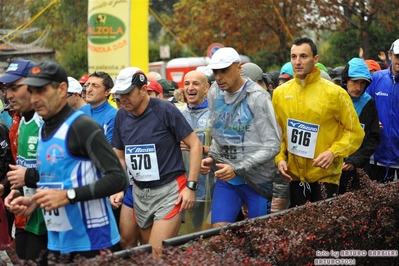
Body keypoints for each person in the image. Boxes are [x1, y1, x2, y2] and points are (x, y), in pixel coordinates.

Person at [5, 61, 128, 264]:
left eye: (41, 91)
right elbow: (55, 180)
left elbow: (118, 178)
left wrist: (68, 196)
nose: (35, 99)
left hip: (93, 242)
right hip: (59, 240)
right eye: (32, 91)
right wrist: (33, 201)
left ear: (62, 89)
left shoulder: (82, 126)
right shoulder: (44, 128)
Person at [110, 67, 202, 256]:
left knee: (156, 252)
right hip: (139, 190)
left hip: (169, 190)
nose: (122, 98)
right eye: (120, 94)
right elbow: (119, 155)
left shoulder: (165, 109)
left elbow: (195, 145)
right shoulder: (121, 116)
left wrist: (191, 186)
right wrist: (119, 186)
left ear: (143, 90)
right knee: (137, 248)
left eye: (127, 93)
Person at [272, 37, 365, 207]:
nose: (297, 62)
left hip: (325, 176)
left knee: (323, 231)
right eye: (293, 57)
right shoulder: (279, 94)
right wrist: (279, 158)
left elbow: (355, 132)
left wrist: (333, 152)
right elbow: (277, 133)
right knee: (298, 231)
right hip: (294, 177)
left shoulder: (335, 93)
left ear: (315, 59)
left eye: (303, 56)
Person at [201, 47, 281, 228]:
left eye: (224, 70)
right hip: (228, 180)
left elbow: (273, 145)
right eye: (215, 71)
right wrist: (212, 156)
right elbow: (219, 133)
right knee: (218, 237)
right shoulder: (215, 92)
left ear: (239, 67)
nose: (219, 76)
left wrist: (237, 168)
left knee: (259, 241)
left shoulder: (257, 96)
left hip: (257, 181)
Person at [0, 59, 37, 262]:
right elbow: (23, 167)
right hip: (29, 218)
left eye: (15, 87)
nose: (8, 95)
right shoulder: (22, 122)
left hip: (58, 225)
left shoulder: (61, 124)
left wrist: (27, 178)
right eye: (6, 88)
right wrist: (16, 190)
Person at [179, 70, 215, 233]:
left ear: (206, 88)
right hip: (182, 186)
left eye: (195, 83)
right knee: (185, 237)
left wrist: (203, 150)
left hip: (211, 185)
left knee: (206, 235)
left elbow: (227, 148)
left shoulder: (216, 115)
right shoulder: (177, 114)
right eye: (187, 84)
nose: (190, 88)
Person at [338, 58, 380, 194]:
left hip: (359, 170)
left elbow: (374, 138)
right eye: (354, 82)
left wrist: (355, 160)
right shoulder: (335, 98)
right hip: (333, 166)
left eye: (363, 83)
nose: (358, 88)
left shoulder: (369, 103)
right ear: (346, 80)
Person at [366, 39, 399, 182]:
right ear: (390, 56)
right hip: (378, 155)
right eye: (398, 56)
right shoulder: (377, 78)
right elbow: (365, 106)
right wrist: (371, 121)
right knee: (379, 201)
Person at [79, 71, 117, 143]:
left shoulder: (113, 116)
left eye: (95, 86)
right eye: (88, 85)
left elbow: (108, 149)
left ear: (107, 92)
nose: (89, 89)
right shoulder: (80, 111)